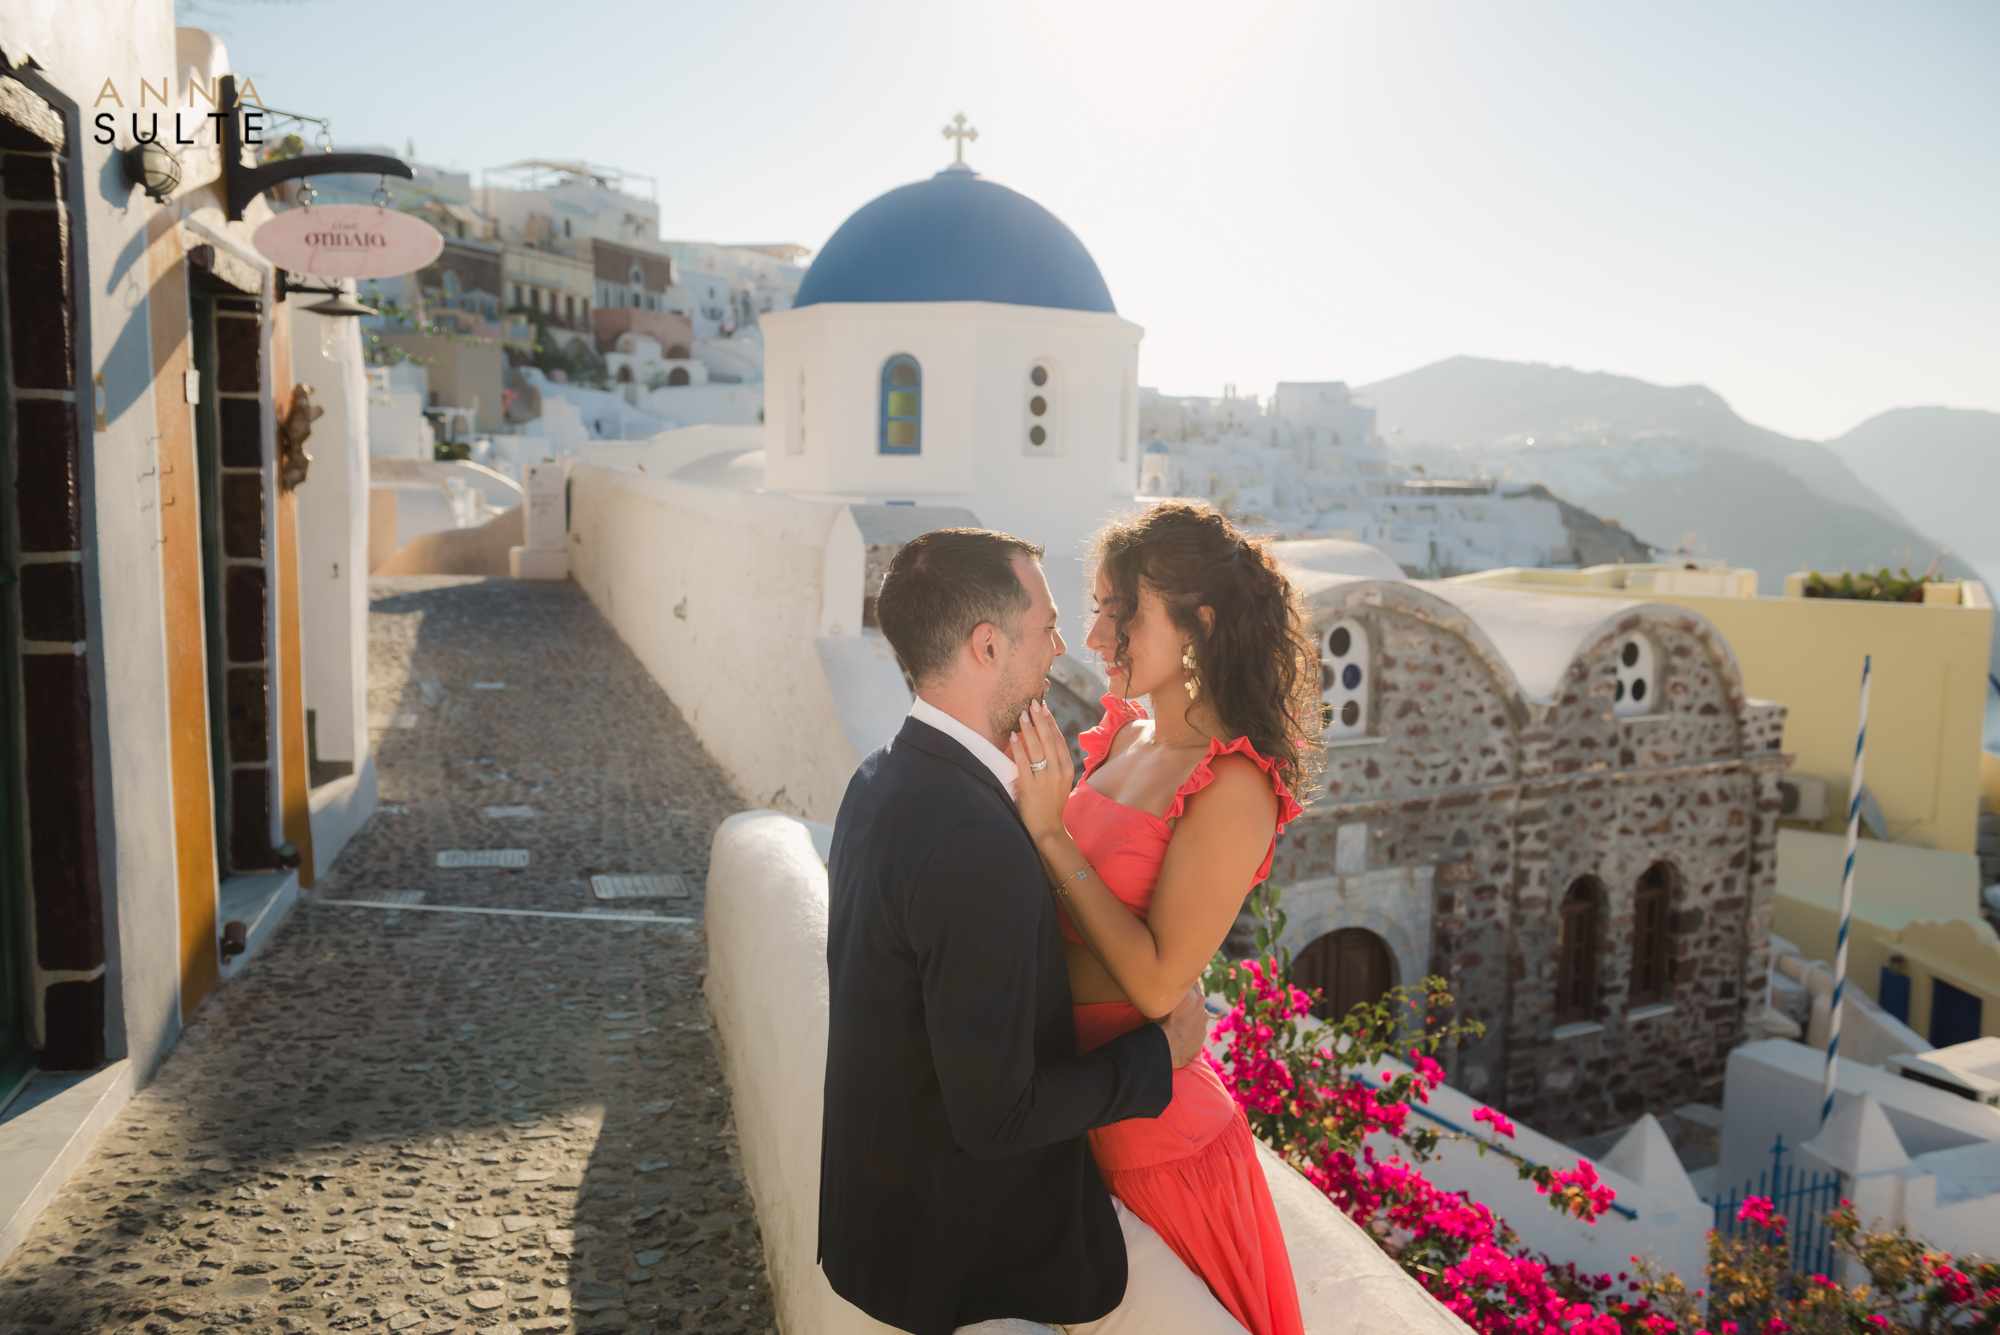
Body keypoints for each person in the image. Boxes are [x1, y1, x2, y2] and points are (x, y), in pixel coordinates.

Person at [819, 527, 1252, 1335]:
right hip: (967, 1263)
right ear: (987, 645)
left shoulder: (880, 779)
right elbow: (996, 1116)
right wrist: (1158, 1054)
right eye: (1049, 624)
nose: (1067, 646)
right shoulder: (973, 837)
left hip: (880, 1234)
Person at [1007, 502, 1318, 1335]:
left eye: (1123, 612)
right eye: (1100, 609)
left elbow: (1153, 983)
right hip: (1076, 1109)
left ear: (1199, 624)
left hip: (1160, 1149)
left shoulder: (1233, 786)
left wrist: (1045, 829)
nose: (1099, 635)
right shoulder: (1119, 738)